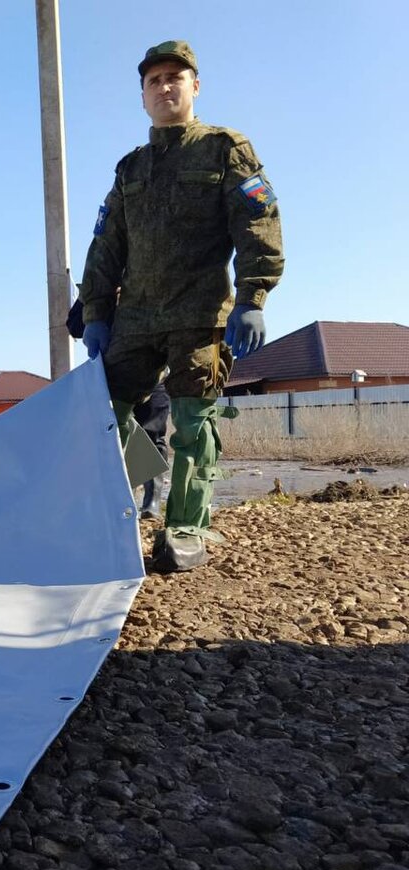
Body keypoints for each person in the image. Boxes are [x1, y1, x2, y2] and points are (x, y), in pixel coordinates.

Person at [76, 40, 284, 572]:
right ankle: (108, 515)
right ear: (143, 97)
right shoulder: (130, 167)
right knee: (107, 418)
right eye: (154, 81)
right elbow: (106, 245)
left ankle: (186, 527)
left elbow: (257, 223)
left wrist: (253, 296)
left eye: (175, 77)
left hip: (199, 313)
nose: (165, 86)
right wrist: (95, 311)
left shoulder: (223, 148)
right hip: (136, 317)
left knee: (193, 422)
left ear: (195, 87)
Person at [67, 297, 169, 519]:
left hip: (154, 374)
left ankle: (152, 500)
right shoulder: (101, 285)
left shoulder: (152, 281)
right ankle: (121, 496)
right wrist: (93, 301)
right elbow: (74, 326)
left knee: (153, 433)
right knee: (112, 436)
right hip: (113, 377)